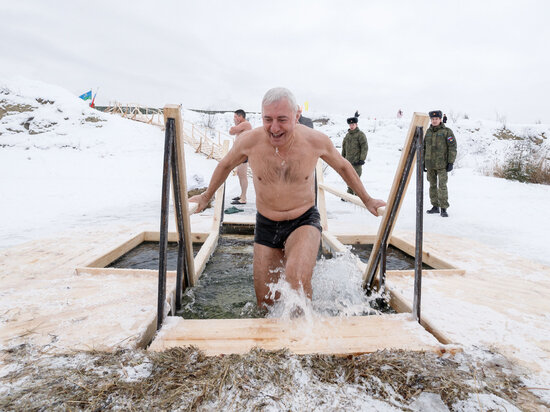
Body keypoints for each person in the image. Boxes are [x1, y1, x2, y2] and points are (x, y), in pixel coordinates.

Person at [189, 88, 385, 310]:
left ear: (296, 116)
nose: (274, 128)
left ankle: (305, 339)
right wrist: (206, 197)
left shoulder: (315, 141)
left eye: (282, 119)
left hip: (303, 220)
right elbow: (225, 165)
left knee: (296, 283)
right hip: (266, 223)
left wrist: (367, 200)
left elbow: (342, 166)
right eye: (268, 119)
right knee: (266, 302)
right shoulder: (249, 142)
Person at [423, 110, 457, 217]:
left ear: (440, 119)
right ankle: (435, 206)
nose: (434, 121)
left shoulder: (447, 132)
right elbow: (423, 148)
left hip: (442, 164)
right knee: (432, 186)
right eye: (432, 119)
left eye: (436, 119)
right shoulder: (427, 132)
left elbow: (452, 147)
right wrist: (423, 163)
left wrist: (450, 162)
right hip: (430, 165)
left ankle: (443, 208)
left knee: (442, 186)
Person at [341, 111, 368, 195]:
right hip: (348, 161)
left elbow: (365, 147)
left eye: (353, 125)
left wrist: (362, 159)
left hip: (357, 162)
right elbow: (344, 148)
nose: (351, 126)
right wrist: (342, 158)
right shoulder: (347, 136)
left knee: (356, 179)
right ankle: (350, 193)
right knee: (348, 178)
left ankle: (357, 194)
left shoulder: (360, 135)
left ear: (356, 124)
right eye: (350, 125)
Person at [228, 109, 252, 204]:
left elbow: (231, 131)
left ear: (241, 116)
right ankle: (242, 195)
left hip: (243, 153)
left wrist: (234, 126)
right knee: (240, 174)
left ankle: (243, 198)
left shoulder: (245, 124)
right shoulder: (242, 125)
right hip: (240, 153)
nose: (234, 119)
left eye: (235, 117)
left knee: (243, 175)